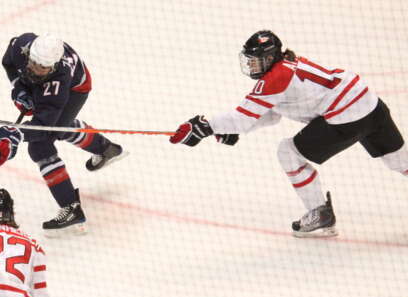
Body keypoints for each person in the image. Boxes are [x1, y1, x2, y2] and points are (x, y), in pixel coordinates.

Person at [170, 30, 406, 237]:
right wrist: (226, 129)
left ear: (271, 57)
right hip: (371, 104)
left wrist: (204, 126)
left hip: (345, 117)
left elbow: (242, 118)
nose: (251, 66)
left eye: (256, 60)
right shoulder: (287, 67)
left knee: (288, 152)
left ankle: (319, 212)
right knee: (400, 160)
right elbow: (271, 115)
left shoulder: (276, 77)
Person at [0, 32, 127, 236]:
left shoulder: (58, 81)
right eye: (34, 63)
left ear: (53, 65)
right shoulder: (20, 44)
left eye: (43, 67)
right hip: (52, 89)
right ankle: (105, 148)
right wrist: (19, 88)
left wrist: (15, 134)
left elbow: (42, 127)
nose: (37, 70)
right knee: (59, 127)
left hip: (75, 89)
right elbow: (8, 62)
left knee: (42, 144)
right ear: (29, 54)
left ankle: (71, 209)